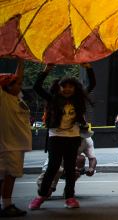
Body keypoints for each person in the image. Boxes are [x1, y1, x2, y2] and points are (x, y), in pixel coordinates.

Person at [29, 63, 95, 210]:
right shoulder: (52, 99)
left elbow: (93, 84)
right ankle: (41, 195)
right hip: (55, 136)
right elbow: (37, 87)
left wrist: (89, 68)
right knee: (53, 166)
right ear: (58, 88)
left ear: (75, 88)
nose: (67, 89)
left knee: (71, 168)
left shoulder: (78, 100)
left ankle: (70, 197)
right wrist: (46, 70)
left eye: (71, 86)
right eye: (64, 86)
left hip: (73, 137)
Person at [0, 59, 30, 217]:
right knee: (9, 176)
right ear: (6, 87)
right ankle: (7, 205)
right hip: (10, 145)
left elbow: (19, 76)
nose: (20, 85)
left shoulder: (16, 97)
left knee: (6, 176)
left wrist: (21, 59)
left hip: (16, 145)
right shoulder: (3, 97)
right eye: (16, 84)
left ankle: (5, 204)